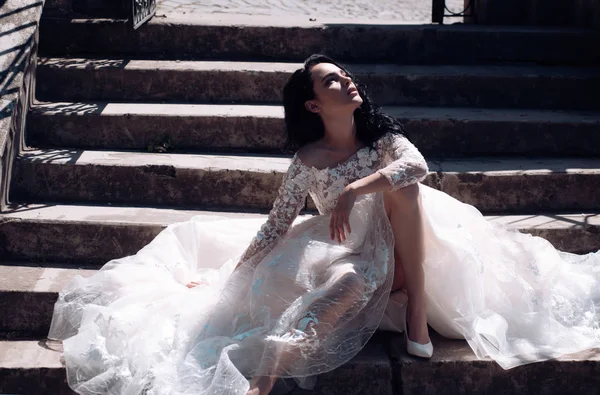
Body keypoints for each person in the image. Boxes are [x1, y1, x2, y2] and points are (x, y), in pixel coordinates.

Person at [48, 55, 600, 395]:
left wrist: (358, 188)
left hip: (421, 248)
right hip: (352, 252)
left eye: (346, 75)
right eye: (334, 81)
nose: (349, 82)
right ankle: (266, 374)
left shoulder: (382, 136)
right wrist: (231, 279)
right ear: (313, 105)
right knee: (347, 279)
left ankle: (415, 309)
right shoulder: (306, 160)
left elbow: (417, 165)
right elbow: (275, 225)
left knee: (403, 185)